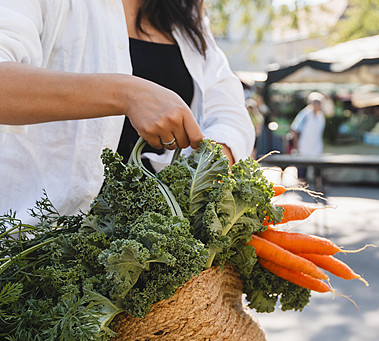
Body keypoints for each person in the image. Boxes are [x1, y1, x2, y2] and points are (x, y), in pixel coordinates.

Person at [0, 0, 254, 224]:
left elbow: (228, 111)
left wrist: (208, 164)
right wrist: (126, 94)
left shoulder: (184, 12)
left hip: (157, 243)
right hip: (37, 236)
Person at [289, 92, 326, 157]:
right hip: (303, 149)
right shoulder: (305, 114)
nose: (318, 104)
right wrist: (296, 146)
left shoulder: (321, 116)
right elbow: (294, 130)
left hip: (317, 150)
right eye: (316, 102)